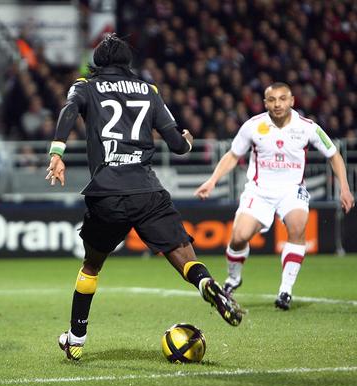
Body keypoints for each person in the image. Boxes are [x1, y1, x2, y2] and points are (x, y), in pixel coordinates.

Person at [45, 34, 243, 361]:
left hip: (107, 193)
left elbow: (69, 110)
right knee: (183, 255)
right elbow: (177, 145)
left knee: (92, 265)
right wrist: (188, 141)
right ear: (128, 61)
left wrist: (57, 152)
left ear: (97, 61)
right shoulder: (149, 90)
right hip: (148, 190)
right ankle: (205, 283)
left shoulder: (85, 86)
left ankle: (76, 339)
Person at [194, 82, 355, 310]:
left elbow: (334, 155)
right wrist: (212, 181)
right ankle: (233, 278)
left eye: (282, 99)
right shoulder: (253, 126)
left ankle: (285, 290)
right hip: (259, 190)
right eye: (272, 99)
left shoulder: (308, 127)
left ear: (292, 101)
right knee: (239, 237)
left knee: (297, 227)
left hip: (292, 190)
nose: (277, 104)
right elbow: (233, 155)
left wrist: (345, 188)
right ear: (265, 103)